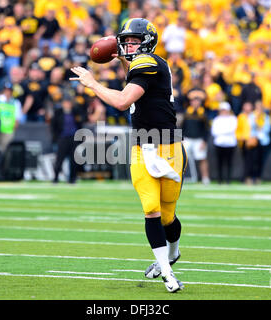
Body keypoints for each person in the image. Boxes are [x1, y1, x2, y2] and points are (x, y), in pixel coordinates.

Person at [70, 18, 186, 293]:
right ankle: (168, 274)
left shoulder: (150, 63)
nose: (127, 44)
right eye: (126, 40)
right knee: (151, 210)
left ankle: (173, 253)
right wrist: (123, 60)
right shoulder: (144, 65)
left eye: (134, 40)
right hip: (142, 147)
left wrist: (92, 83)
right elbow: (134, 77)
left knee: (168, 216)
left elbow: (123, 100)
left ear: (147, 42)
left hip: (168, 147)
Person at [51, 94, 82, 184]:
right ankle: (55, 178)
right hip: (63, 138)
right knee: (59, 159)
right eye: (66, 102)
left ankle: (72, 178)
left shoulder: (75, 112)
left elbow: (80, 123)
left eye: (69, 102)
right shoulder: (58, 112)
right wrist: (56, 137)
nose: (67, 104)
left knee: (74, 159)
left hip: (73, 138)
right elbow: (54, 126)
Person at [211, 102, 238, 184]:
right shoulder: (217, 119)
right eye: (222, 110)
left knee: (229, 162)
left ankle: (228, 179)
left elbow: (232, 129)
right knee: (219, 162)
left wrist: (221, 132)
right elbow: (214, 132)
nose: (224, 111)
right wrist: (224, 131)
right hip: (219, 143)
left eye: (225, 110)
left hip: (230, 143)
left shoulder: (233, 119)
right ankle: (220, 179)